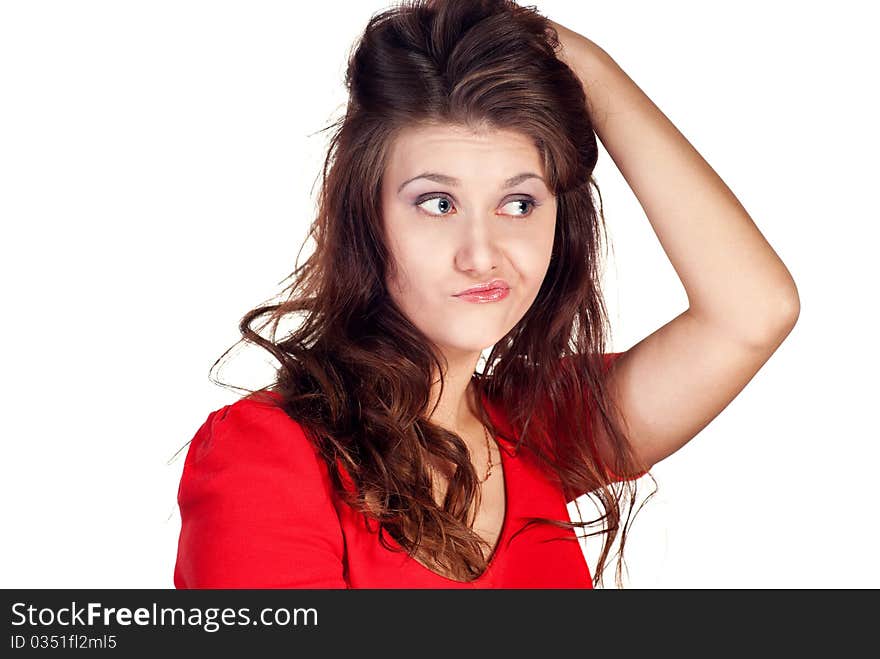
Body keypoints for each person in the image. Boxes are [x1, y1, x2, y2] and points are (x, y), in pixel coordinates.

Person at [173, 0, 799, 589]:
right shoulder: (267, 454)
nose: (482, 253)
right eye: (438, 203)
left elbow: (752, 310)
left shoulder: (538, 429)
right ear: (367, 216)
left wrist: (587, 67)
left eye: (518, 202)